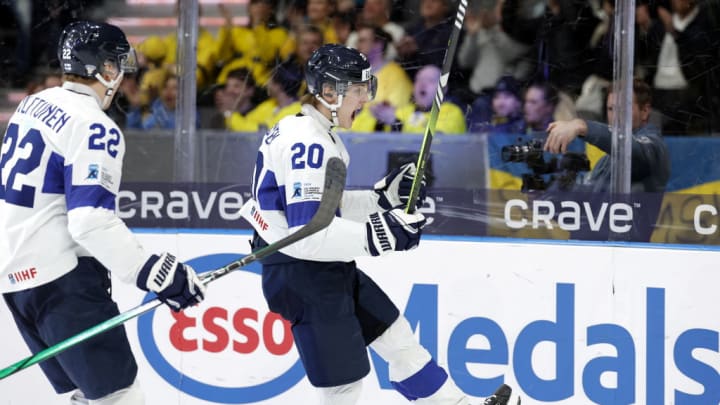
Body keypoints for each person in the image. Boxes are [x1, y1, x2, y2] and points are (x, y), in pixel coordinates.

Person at [239, 43, 512, 405]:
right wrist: (384, 233)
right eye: (357, 90)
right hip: (302, 273)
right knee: (343, 384)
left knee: (396, 338)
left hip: (317, 267)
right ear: (328, 92)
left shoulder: (313, 133)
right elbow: (306, 235)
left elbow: (324, 210)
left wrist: (379, 200)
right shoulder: (309, 142)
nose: (365, 99)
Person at [0, 21, 205, 404]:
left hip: (16, 280)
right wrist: (154, 273)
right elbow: (90, 219)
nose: (122, 74)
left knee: (85, 396)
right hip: (61, 284)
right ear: (105, 69)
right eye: (118, 64)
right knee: (118, 396)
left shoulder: (33, 103)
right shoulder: (95, 126)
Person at [544, 78, 669, 193]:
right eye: (611, 109)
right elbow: (587, 200)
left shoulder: (653, 147)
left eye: (623, 109)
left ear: (645, 111)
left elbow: (634, 150)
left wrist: (581, 125)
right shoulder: (607, 160)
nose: (615, 116)